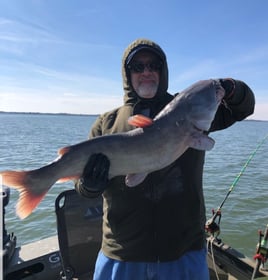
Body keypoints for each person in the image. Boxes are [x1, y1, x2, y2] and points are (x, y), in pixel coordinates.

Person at [75, 38, 255, 279]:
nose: (146, 72)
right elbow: (81, 187)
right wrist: (89, 185)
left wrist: (231, 87)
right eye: (138, 67)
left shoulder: (191, 108)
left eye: (153, 65)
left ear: (163, 70)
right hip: (121, 255)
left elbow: (244, 107)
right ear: (127, 74)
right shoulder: (106, 123)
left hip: (183, 253)